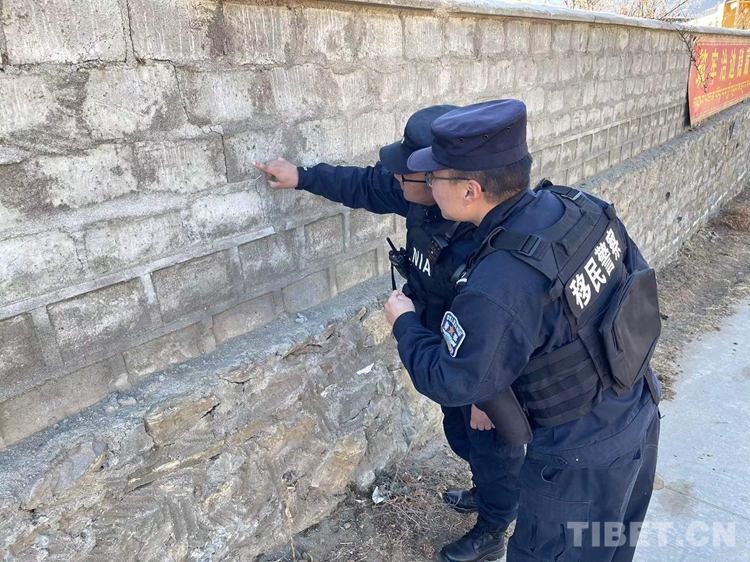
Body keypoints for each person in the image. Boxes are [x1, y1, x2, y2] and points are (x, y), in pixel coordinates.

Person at [385, 99, 661, 562]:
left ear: (470, 190)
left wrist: (405, 323)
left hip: (577, 462)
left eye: (434, 178)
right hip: (637, 413)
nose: (428, 185)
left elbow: (454, 380)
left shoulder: (499, 283)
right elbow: (635, 293)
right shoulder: (580, 207)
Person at [253, 106, 524, 562]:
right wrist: (301, 176)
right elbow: (363, 185)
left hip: (482, 367)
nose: (396, 180)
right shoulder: (421, 195)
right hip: (443, 351)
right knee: (461, 438)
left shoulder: (488, 234)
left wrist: (490, 393)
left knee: (492, 448)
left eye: (407, 174)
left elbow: (511, 321)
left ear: (441, 180)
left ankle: (494, 529)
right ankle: (485, 491)